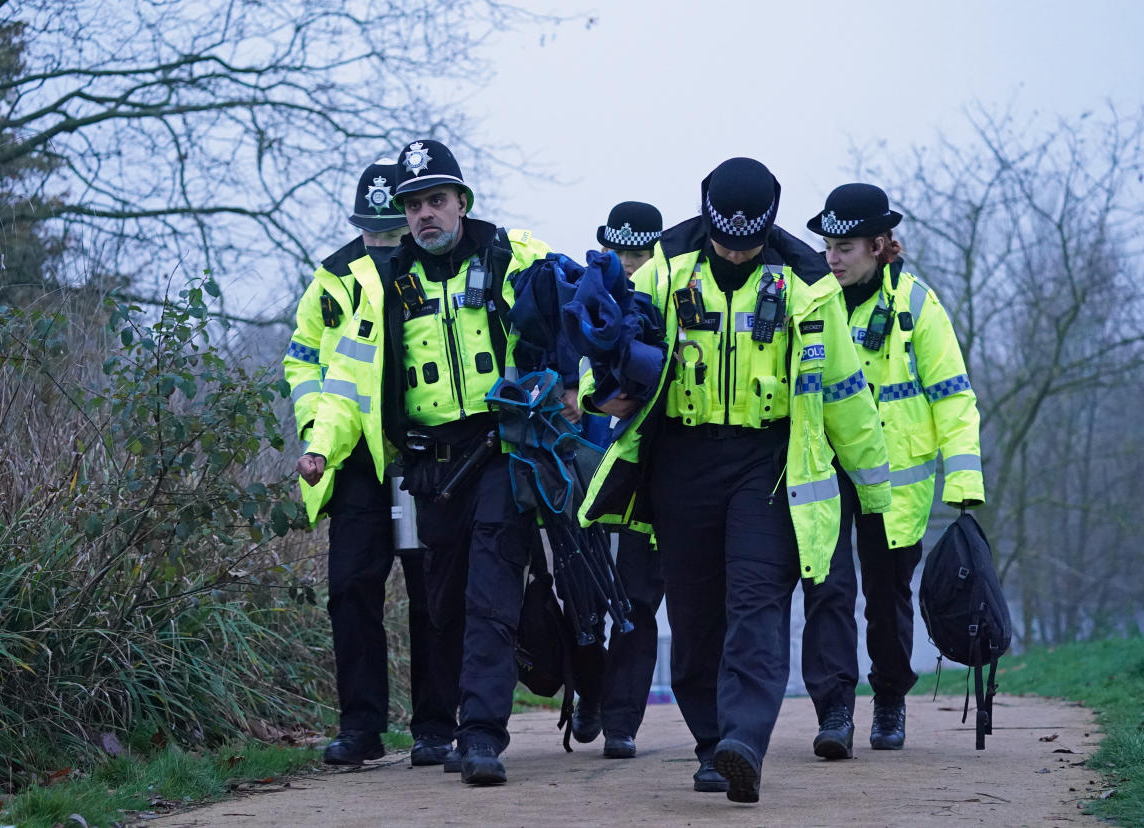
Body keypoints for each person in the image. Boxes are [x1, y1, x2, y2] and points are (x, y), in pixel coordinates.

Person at [578, 158, 891, 803]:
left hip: (767, 462)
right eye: (724, 241)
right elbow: (610, 344)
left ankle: (744, 740)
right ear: (707, 217)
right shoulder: (665, 268)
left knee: (757, 600)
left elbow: (845, 393)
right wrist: (595, 392)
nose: (734, 252)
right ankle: (711, 744)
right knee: (694, 613)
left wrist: (876, 492)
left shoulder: (807, 282)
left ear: (770, 225)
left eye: (748, 244)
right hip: (680, 459)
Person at [300, 139, 557, 786]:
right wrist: (320, 446)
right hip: (426, 468)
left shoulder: (509, 255)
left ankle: (478, 736)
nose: (424, 215)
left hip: (499, 450)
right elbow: (341, 380)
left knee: (488, 594)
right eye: (414, 205)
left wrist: (572, 388)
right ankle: (416, 724)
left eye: (436, 200)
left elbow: (571, 307)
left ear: (462, 202)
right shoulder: (383, 287)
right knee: (439, 603)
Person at [802, 183, 985, 754]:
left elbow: (954, 397)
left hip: (893, 483)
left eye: (846, 246)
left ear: (880, 245)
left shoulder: (917, 307)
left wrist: (963, 483)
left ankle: (888, 700)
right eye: (828, 245)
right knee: (827, 591)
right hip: (826, 475)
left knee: (886, 597)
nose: (832, 257)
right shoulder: (811, 303)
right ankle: (834, 710)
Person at [284, 160, 456, 767]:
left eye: (391, 230)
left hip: (425, 457)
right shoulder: (330, 277)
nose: (382, 242)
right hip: (355, 460)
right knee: (350, 591)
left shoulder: (434, 274)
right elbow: (302, 359)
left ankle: (436, 726)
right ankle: (361, 727)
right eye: (372, 230)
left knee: (431, 593)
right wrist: (316, 430)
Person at [567, 202, 666, 760]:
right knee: (579, 597)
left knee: (636, 599)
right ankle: (589, 692)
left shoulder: (670, 303)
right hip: (583, 472)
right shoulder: (581, 295)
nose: (630, 264)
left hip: (643, 479)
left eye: (641, 253)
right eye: (622, 252)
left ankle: (622, 722)